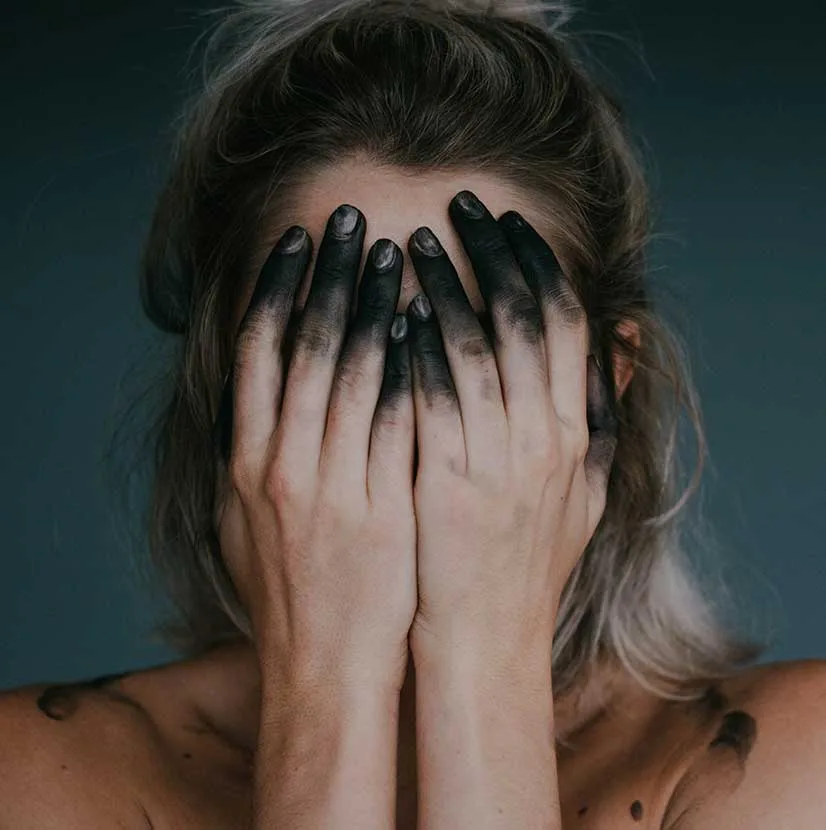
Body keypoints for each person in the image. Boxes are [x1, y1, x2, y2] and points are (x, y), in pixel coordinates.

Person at [1, 0, 824, 827]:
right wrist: (328, 681)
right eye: (331, 345)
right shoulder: (38, 774)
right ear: (227, 384)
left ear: (604, 385)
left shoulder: (790, 763)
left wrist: (483, 660)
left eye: (477, 349)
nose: (401, 421)